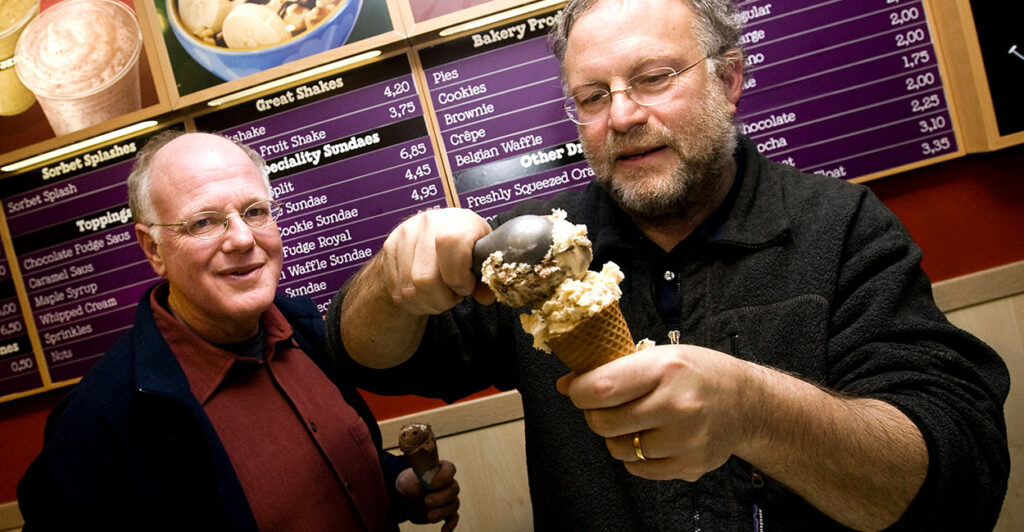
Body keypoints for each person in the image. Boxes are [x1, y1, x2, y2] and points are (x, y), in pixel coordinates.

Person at [328, 0, 1012, 530]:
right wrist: (392, 286)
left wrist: (753, 412)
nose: (621, 115)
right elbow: (373, 359)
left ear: (730, 78)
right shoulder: (533, 255)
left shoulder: (842, 227)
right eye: (592, 97)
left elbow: (957, 479)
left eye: (653, 79)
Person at [17, 131, 460, 531]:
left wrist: (396, 485)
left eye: (254, 211)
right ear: (154, 249)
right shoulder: (98, 422)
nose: (243, 239)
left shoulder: (306, 330)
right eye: (204, 222)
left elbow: (333, 472)